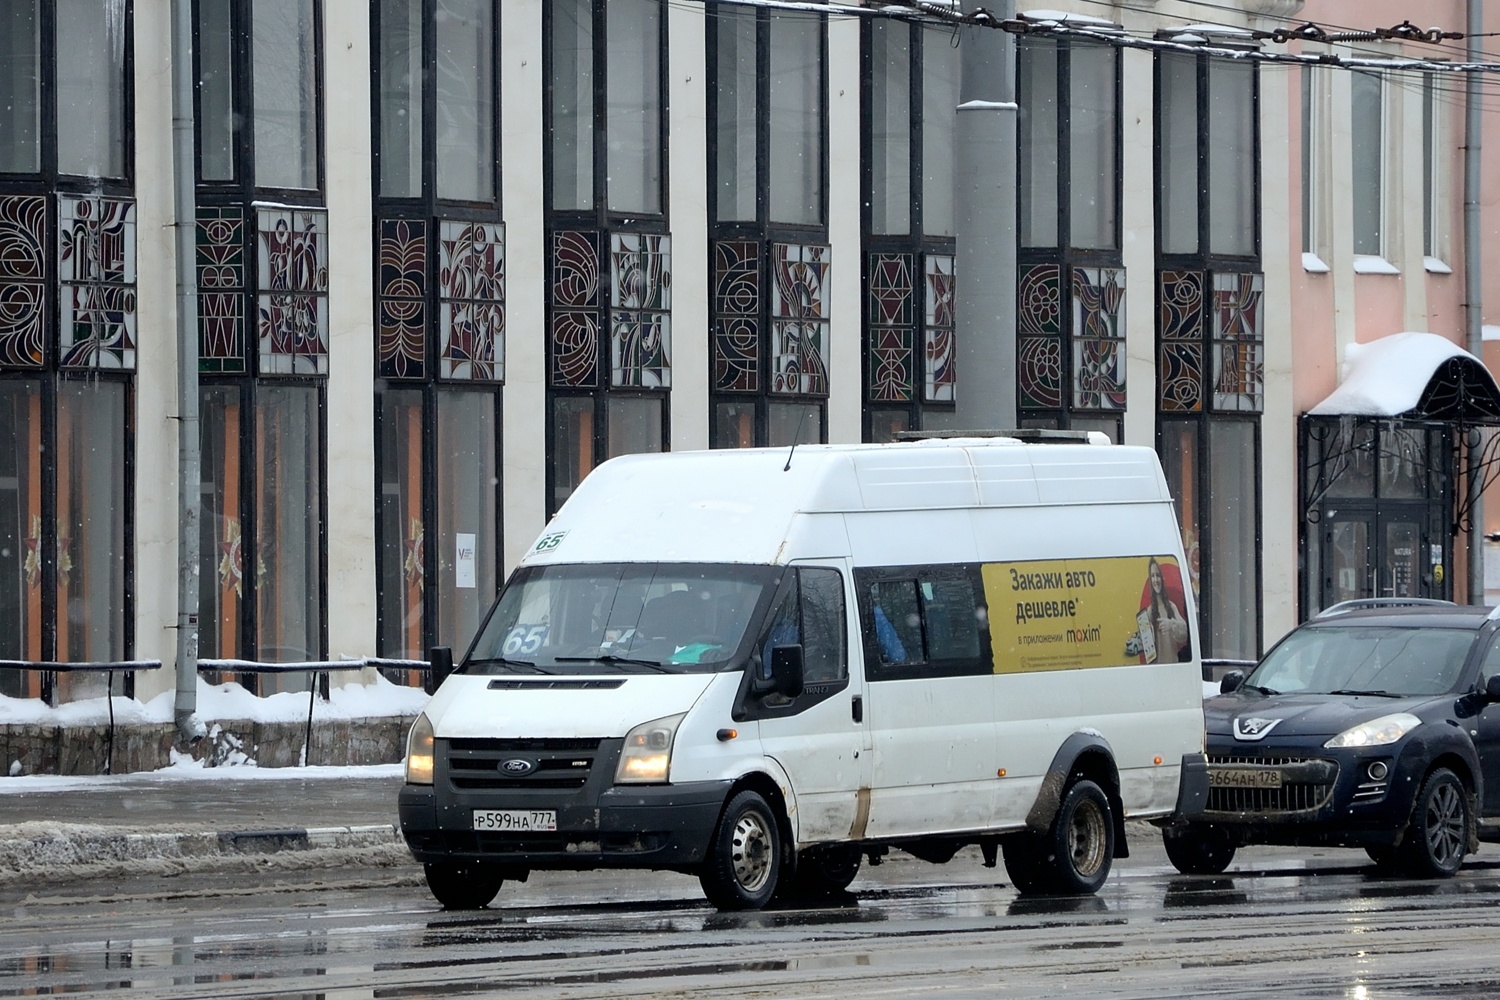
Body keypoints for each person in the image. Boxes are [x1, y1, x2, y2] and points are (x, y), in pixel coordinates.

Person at [1143, 557, 1191, 663]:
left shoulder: (1171, 607)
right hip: (1158, 670)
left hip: (1174, 666)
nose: (1156, 580)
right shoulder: (1150, 612)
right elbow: (1147, 649)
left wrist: (1172, 624)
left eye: (1158, 575)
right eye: (1152, 576)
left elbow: (1185, 634)